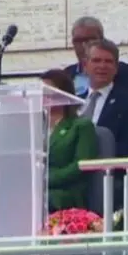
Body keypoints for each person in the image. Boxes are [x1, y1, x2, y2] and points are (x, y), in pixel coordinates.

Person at [41, 69, 99, 212]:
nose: (44, 96)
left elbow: (81, 166)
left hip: (67, 193)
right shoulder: (34, 127)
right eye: (42, 92)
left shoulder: (81, 126)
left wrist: (46, 179)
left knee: (42, 200)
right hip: (38, 188)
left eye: (49, 92)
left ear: (63, 94)